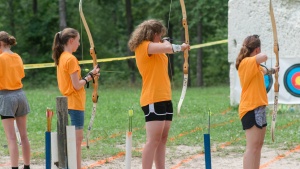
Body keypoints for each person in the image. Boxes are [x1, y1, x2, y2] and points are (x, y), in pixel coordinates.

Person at [128, 19, 190, 169]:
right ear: (154, 34)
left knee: (162, 139)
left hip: (164, 97)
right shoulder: (144, 47)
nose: (161, 37)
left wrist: (182, 47)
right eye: (160, 35)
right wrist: (170, 44)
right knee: (153, 140)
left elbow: (168, 48)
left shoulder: (158, 48)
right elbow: (167, 47)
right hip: (152, 98)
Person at [52, 28, 100, 169]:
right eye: (78, 41)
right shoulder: (71, 59)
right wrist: (90, 77)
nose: (79, 44)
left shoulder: (62, 57)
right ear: (71, 40)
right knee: (76, 143)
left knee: (71, 142)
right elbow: (77, 85)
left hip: (67, 103)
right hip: (75, 104)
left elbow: (74, 82)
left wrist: (89, 75)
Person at [235, 35, 279, 169]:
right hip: (250, 108)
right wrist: (275, 47)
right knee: (252, 147)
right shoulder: (247, 62)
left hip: (258, 107)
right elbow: (264, 57)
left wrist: (273, 70)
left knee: (258, 146)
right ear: (257, 49)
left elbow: (264, 70)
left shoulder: (255, 66)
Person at [0, 31, 31, 169]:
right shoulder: (17, 56)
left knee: (11, 138)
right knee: (23, 136)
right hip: (20, 95)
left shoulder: (1, 58)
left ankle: (14, 167)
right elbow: (21, 75)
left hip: (6, 97)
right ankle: (27, 166)